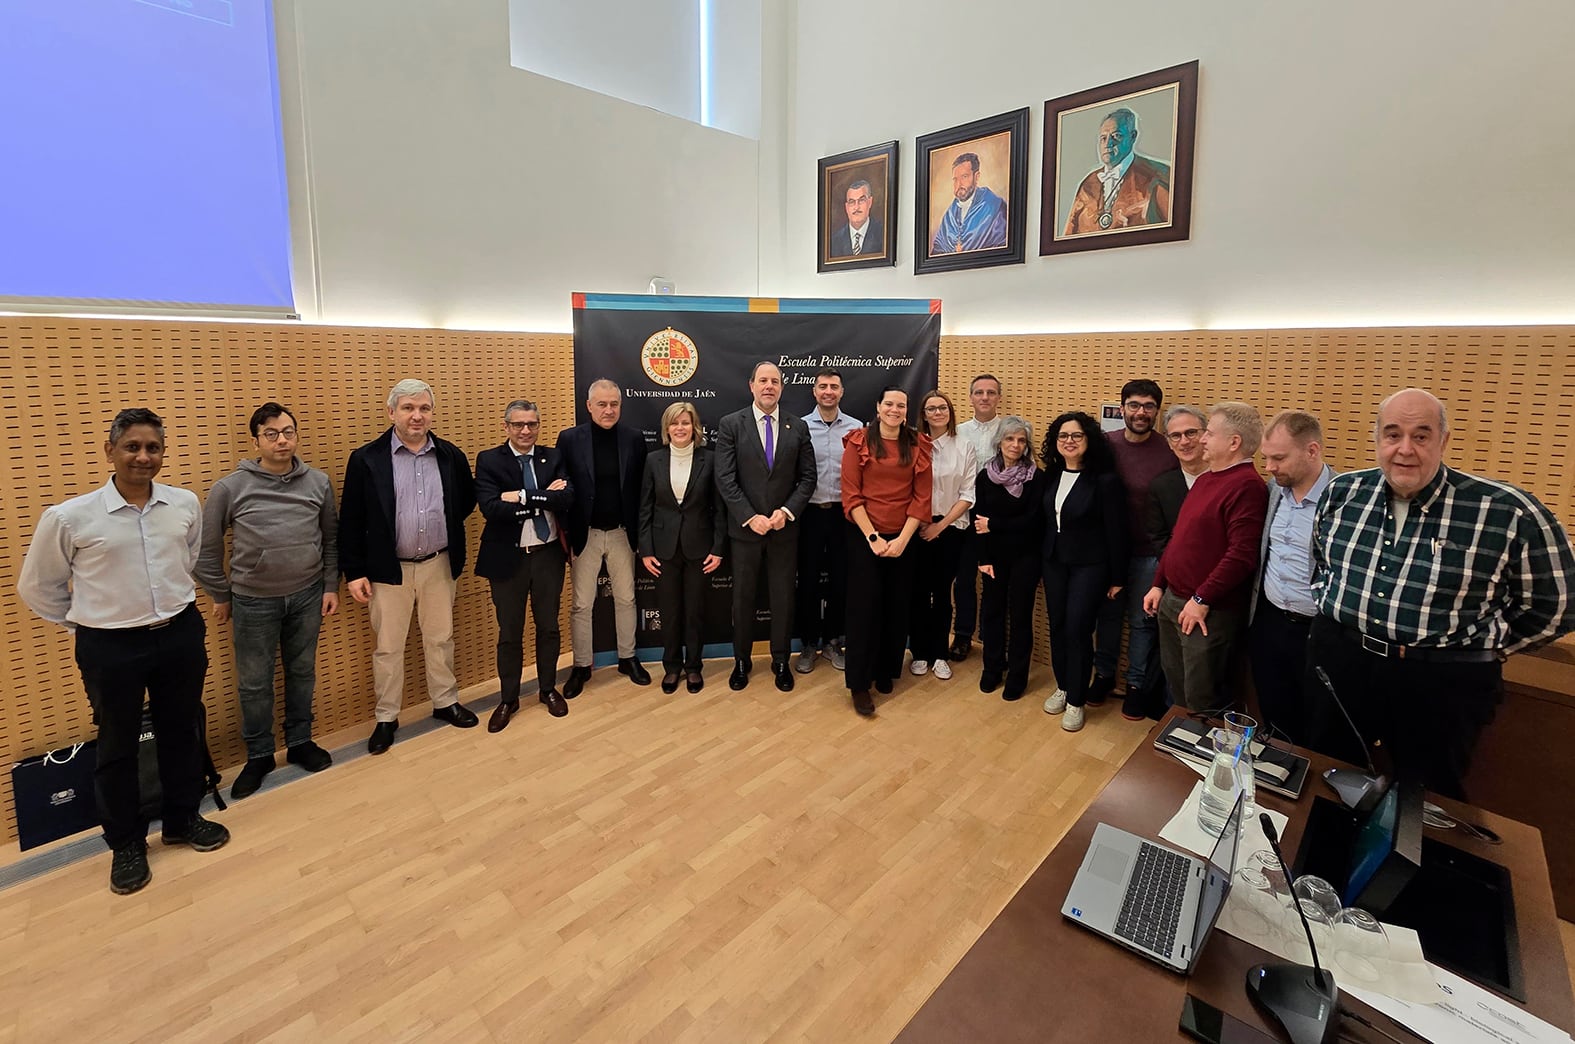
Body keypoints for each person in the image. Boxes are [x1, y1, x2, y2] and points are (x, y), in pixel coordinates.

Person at [1308, 389, 1575, 799]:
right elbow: (1322, 566)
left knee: (1426, 806)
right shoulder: (1343, 493)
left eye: (1421, 435)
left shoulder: (1507, 511)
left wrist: (1479, 647)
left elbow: (1557, 608)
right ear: (1377, 438)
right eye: (1393, 434)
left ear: (1444, 441)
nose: (1404, 449)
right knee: (1329, 780)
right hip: (1343, 666)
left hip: (1441, 684)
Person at [19, 408, 230, 895]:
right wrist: (84, 624)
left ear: (162, 453)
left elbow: (190, 557)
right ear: (110, 450)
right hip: (110, 645)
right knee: (117, 746)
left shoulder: (183, 504)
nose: (142, 456)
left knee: (181, 730)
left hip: (178, 632)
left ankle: (181, 820)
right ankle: (126, 844)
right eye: (132, 446)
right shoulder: (70, 517)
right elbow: (39, 587)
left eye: (152, 447)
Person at [195, 402, 338, 799]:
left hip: (308, 595)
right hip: (252, 602)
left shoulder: (318, 482)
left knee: (302, 671)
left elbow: (330, 539)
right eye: (272, 433)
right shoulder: (230, 488)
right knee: (255, 684)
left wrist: (330, 585)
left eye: (288, 431)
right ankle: (259, 755)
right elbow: (205, 551)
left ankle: (299, 742)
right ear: (256, 439)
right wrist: (221, 595)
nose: (282, 440)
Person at [339, 379, 478, 755]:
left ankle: (445, 701)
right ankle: (386, 717)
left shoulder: (450, 456)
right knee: (388, 648)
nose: (417, 416)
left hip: (438, 564)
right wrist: (355, 571)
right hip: (387, 571)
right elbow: (350, 519)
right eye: (408, 408)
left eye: (424, 409)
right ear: (391, 413)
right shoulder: (366, 459)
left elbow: (464, 503)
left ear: (432, 413)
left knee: (440, 639)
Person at [1142, 403, 1266, 712]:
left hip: (1207, 610)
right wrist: (1159, 584)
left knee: (1202, 698)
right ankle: (1181, 748)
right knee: (1180, 689)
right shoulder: (1208, 479)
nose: (1203, 440)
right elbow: (1178, 539)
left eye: (1208, 433)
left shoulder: (1247, 485)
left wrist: (1201, 599)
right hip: (1174, 599)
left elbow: (1241, 555)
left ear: (1234, 442)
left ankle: (1200, 756)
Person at [715, 361, 817, 692]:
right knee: (743, 598)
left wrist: (786, 512)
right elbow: (725, 477)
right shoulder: (731, 424)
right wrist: (749, 516)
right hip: (745, 531)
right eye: (763, 380)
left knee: (783, 598)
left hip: (784, 530)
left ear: (782, 388)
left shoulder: (797, 426)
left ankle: (780, 660)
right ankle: (741, 661)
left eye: (775, 381)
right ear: (751, 386)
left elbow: (808, 477)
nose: (769, 386)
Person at [474, 398, 574, 731]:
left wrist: (520, 495)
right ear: (506, 426)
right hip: (508, 558)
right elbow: (490, 508)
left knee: (549, 626)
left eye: (532, 424)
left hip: (548, 556)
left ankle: (547, 690)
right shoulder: (489, 460)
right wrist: (541, 496)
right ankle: (509, 698)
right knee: (509, 632)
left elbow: (566, 498)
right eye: (518, 424)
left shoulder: (553, 455)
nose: (526, 430)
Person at [841, 387, 933, 716]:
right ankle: (859, 684)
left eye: (901, 405)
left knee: (896, 607)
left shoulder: (917, 444)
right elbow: (851, 495)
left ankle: (885, 671)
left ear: (907, 411)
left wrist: (903, 540)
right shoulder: (857, 441)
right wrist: (874, 539)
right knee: (863, 610)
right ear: (878, 407)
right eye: (889, 404)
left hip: (903, 538)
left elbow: (922, 498)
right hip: (866, 537)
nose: (894, 409)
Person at [557, 379, 651, 698]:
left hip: (624, 534)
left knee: (626, 599)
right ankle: (582, 665)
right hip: (586, 534)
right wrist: (566, 537)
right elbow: (562, 487)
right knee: (582, 604)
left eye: (614, 404)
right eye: (602, 404)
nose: (608, 410)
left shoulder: (634, 439)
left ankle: (628, 658)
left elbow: (641, 488)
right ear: (589, 406)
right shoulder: (569, 439)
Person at [1247, 411, 1335, 746]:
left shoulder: (1342, 498)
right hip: (1269, 620)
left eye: (1279, 458)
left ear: (1312, 451)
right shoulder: (1272, 492)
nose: (1269, 467)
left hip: (1318, 629)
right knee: (1273, 705)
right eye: (1266, 458)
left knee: (1318, 717)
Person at [1093, 379, 1178, 714]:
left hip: (1149, 554)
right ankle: (1103, 675)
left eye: (1148, 406)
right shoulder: (1104, 445)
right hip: (1107, 552)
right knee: (1107, 616)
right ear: (1122, 407)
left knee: (1143, 621)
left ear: (1157, 411)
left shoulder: (1169, 451)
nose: (1141, 413)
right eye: (1134, 405)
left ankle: (1136, 685)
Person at [1039, 412, 1128, 732]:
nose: (1069, 441)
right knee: (1058, 625)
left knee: (1077, 629)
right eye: (1063, 436)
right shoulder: (1051, 475)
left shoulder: (1105, 481)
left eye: (1076, 436)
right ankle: (1063, 686)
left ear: (1089, 440)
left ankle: (1077, 700)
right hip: (1054, 563)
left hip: (1090, 566)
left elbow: (1116, 532)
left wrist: (1118, 578)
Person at [639, 401, 727, 694]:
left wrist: (718, 548)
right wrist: (646, 550)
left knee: (694, 611)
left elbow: (719, 510)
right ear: (666, 428)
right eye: (675, 423)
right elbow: (645, 509)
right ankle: (672, 667)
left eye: (685, 423)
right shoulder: (653, 460)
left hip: (699, 549)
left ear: (695, 428)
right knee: (670, 611)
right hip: (663, 550)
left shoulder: (711, 460)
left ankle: (693, 668)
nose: (680, 428)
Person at [1134, 403, 1207, 719]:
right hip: (1176, 588)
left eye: (1191, 432)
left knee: (1202, 675)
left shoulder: (1227, 480)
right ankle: (1172, 722)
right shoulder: (1163, 485)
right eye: (1176, 435)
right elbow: (1160, 539)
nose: (1184, 441)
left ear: (1206, 436)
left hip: (1215, 594)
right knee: (1173, 663)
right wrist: (1168, 580)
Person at [795, 369, 863, 675]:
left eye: (834, 386)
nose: (828, 391)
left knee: (842, 580)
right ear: (814, 391)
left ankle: (834, 640)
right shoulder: (798, 426)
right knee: (807, 580)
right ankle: (809, 643)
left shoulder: (856, 427)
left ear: (842, 391)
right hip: (808, 513)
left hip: (844, 514)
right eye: (823, 386)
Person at [974, 417, 1046, 702]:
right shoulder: (985, 476)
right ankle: (992, 668)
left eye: (1021, 440)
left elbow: (1033, 521)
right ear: (999, 442)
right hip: (993, 558)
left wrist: (996, 525)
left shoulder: (1036, 478)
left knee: (1019, 618)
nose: (1015, 445)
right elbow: (979, 520)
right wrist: (982, 557)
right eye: (1009, 439)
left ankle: (1017, 676)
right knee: (991, 613)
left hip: (1026, 557)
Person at [909, 390, 976, 682]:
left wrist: (939, 526)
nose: (938, 413)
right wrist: (922, 524)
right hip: (916, 527)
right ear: (923, 415)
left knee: (942, 592)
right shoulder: (913, 444)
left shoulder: (965, 446)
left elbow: (967, 494)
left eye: (943, 408)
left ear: (950, 412)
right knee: (919, 592)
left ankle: (939, 654)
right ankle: (920, 654)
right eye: (931, 409)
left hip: (950, 529)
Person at [950, 374, 1004, 660]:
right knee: (964, 579)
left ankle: (990, 635)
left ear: (998, 397)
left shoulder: (1009, 431)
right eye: (979, 392)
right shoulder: (957, 432)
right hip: (965, 517)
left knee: (995, 579)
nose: (985, 397)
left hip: (998, 521)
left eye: (991, 393)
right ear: (970, 397)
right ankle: (962, 635)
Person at [1062, 107, 1172, 236]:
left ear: (1132, 136)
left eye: (1116, 136)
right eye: (1103, 138)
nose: (1108, 144)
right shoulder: (1088, 185)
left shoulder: (1159, 176)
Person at [930, 152, 1008, 254]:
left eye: (964, 177)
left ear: (976, 177)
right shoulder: (949, 215)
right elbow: (937, 251)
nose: (959, 184)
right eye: (955, 179)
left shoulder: (994, 206)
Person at [828, 179, 885, 258]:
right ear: (847, 207)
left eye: (861, 200)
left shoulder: (884, 235)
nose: (856, 207)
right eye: (852, 202)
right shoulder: (834, 241)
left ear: (870, 202)